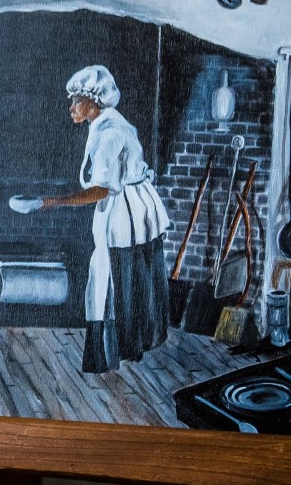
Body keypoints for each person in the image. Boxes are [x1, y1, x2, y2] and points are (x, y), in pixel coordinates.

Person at [9, 66, 172, 373]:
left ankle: (113, 350)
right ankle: (132, 343)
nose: (71, 108)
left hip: (125, 212)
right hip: (135, 207)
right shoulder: (106, 124)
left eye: (76, 101)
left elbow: (101, 189)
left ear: (94, 101)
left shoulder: (110, 133)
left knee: (109, 276)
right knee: (128, 273)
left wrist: (51, 202)